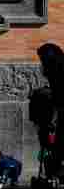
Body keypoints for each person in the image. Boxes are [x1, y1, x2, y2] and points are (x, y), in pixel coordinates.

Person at [34, 43, 63, 178]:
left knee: (55, 143)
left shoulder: (58, 71)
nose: (41, 64)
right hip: (56, 114)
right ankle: (55, 170)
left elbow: (59, 99)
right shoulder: (55, 71)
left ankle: (56, 170)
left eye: (42, 60)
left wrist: (54, 118)